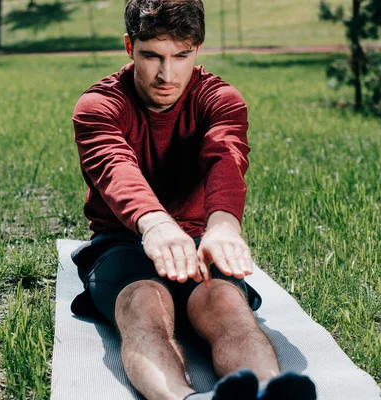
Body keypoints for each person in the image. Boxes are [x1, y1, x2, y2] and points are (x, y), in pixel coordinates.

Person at [69, 0, 318, 399]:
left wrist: (222, 225)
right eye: (152, 56)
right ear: (129, 47)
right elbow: (115, 168)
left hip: (201, 241)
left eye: (181, 56)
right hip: (123, 240)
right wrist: (156, 223)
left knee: (224, 302)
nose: (167, 74)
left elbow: (225, 156)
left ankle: (267, 393)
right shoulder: (99, 106)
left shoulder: (221, 99)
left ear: (197, 49)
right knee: (143, 304)